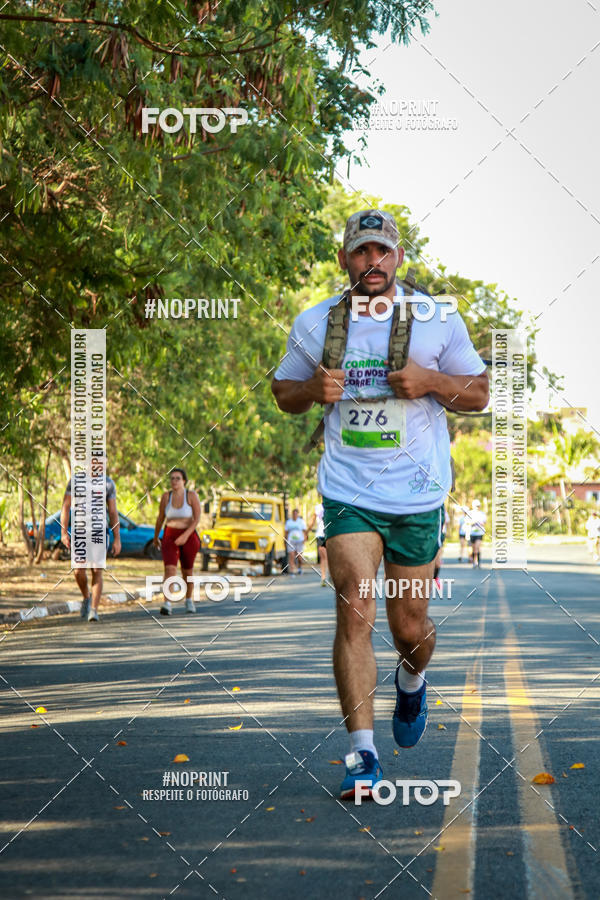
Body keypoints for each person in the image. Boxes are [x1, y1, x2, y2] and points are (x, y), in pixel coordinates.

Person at [272, 208, 488, 799]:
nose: (373, 262)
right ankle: (363, 757)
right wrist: (311, 390)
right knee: (356, 612)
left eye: (383, 251)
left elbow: (481, 393)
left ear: (398, 257)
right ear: (345, 258)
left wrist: (432, 382)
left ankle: (412, 676)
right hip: (349, 491)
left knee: (410, 625)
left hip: (417, 496)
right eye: (361, 251)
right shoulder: (316, 322)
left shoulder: (437, 319)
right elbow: (282, 392)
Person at [60, 466, 121, 623]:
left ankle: (93, 610)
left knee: (96, 570)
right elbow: (66, 507)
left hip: (99, 531)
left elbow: (113, 512)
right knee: (78, 570)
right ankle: (87, 597)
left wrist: (117, 538)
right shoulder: (75, 481)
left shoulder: (108, 484)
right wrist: (64, 532)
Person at [153, 468, 201, 615]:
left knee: (187, 571)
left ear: (184, 481)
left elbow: (197, 518)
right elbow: (161, 517)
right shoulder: (166, 496)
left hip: (189, 536)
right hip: (170, 536)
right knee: (170, 569)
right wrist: (156, 537)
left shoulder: (191, 495)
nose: (174, 481)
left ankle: (188, 600)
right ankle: (167, 603)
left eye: (177, 478)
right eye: (172, 478)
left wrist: (186, 535)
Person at [308, 498, 329, 585]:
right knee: (323, 556)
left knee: (330, 557)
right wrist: (307, 531)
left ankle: (330, 575)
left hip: (330, 533)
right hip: (320, 534)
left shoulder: (331, 506)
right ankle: (324, 577)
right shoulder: (318, 507)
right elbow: (313, 520)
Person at [284, 508, 308, 576]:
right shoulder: (289, 522)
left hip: (299, 541)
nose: (294, 515)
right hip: (291, 541)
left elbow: (304, 531)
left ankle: (300, 568)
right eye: (293, 514)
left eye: (296, 514)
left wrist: (305, 539)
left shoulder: (301, 522)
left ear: (297, 514)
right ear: (292, 514)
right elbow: (286, 532)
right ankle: (292, 571)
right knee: (291, 556)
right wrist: (285, 541)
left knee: (299, 557)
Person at [466, 499, 486, 567]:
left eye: (478, 506)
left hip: (479, 533)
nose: (477, 507)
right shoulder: (470, 513)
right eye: (476, 506)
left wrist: (479, 523)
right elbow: (467, 522)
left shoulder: (482, 513)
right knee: (474, 549)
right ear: (473, 506)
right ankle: (474, 561)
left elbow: (484, 522)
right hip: (472, 533)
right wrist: (473, 522)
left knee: (477, 547)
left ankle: (478, 562)